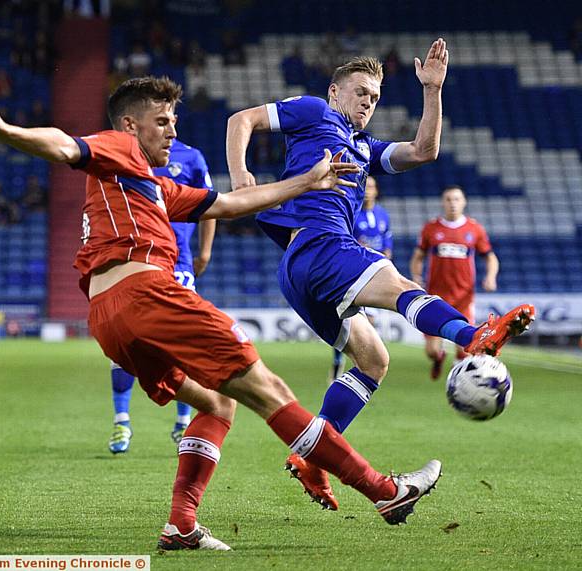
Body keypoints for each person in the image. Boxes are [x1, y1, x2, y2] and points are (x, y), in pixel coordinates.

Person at [0, 78, 444, 551]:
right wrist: (5, 129)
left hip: (108, 318)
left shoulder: (147, 186)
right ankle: (385, 492)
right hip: (146, 293)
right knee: (269, 390)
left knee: (216, 403)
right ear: (131, 126)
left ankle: (181, 524)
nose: (173, 131)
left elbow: (231, 204)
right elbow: (66, 146)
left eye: (175, 120)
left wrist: (306, 180)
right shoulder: (118, 147)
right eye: (162, 121)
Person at [226, 40, 534, 510]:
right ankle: (473, 336)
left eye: (374, 97)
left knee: (373, 361)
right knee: (400, 286)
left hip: (299, 270)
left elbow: (424, 150)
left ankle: (312, 459)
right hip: (320, 244)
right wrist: (241, 174)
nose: (368, 103)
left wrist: (432, 90)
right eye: (360, 93)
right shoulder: (313, 112)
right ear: (335, 92)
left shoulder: (364, 148)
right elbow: (240, 120)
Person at [108, 137, 217, 453]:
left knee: (183, 342)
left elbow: (210, 204)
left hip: (179, 261)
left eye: (169, 115)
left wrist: (205, 252)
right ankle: (122, 421)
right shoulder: (123, 155)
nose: (166, 123)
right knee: (125, 343)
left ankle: (183, 421)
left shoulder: (191, 157)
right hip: (135, 260)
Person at [410, 185, 499, 379]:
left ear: (464, 202)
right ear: (443, 202)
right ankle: (439, 357)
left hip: (463, 297)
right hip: (436, 297)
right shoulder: (431, 228)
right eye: (448, 199)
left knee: (465, 348)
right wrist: (416, 276)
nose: (452, 203)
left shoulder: (474, 229)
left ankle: (459, 382)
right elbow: (418, 256)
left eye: (457, 199)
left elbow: (490, 257)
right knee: (431, 351)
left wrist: (491, 277)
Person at [329, 175, 392, 381]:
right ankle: (339, 360)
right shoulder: (352, 213)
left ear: (376, 191)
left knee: (368, 324)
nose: (367, 190)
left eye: (372, 186)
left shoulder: (383, 215)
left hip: (374, 275)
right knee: (349, 320)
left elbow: (386, 246)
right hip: (352, 274)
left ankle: (358, 367)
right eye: (365, 186)